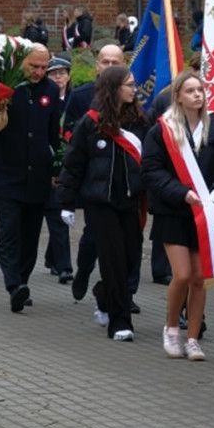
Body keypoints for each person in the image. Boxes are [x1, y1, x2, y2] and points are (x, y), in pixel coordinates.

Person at [56, 66, 147, 341]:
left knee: (131, 259)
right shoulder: (91, 123)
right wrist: (66, 202)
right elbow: (73, 164)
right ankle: (120, 323)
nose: (134, 89)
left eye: (134, 84)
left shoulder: (141, 123)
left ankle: (103, 293)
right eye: (128, 85)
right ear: (113, 88)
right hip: (100, 202)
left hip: (130, 201)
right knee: (114, 261)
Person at [141, 70, 214, 358]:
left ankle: (193, 338)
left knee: (200, 277)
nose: (197, 95)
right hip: (173, 211)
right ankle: (172, 328)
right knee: (183, 274)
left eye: (200, 90)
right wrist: (180, 192)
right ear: (177, 96)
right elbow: (151, 170)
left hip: (203, 214)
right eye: (190, 91)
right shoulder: (162, 130)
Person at [0, 43, 61, 313]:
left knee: (30, 235)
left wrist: (55, 169)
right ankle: (13, 283)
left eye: (44, 67)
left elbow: (54, 135)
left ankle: (23, 283)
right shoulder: (4, 85)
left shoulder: (51, 92)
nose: (40, 72)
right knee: (10, 231)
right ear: (21, 63)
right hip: (6, 175)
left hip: (37, 177)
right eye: (34, 67)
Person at [65, 45, 132, 301]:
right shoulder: (81, 96)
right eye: (105, 61)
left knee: (125, 243)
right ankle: (84, 270)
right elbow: (69, 133)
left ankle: (124, 291)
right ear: (97, 65)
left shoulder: (131, 99)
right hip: (94, 180)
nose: (110, 66)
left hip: (122, 180)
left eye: (115, 61)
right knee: (93, 235)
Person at [41, 56, 73, 284]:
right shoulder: (45, 98)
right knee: (56, 212)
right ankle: (64, 266)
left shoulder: (75, 99)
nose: (59, 77)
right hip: (48, 164)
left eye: (62, 73)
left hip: (71, 165)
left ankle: (54, 258)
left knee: (59, 212)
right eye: (54, 73)